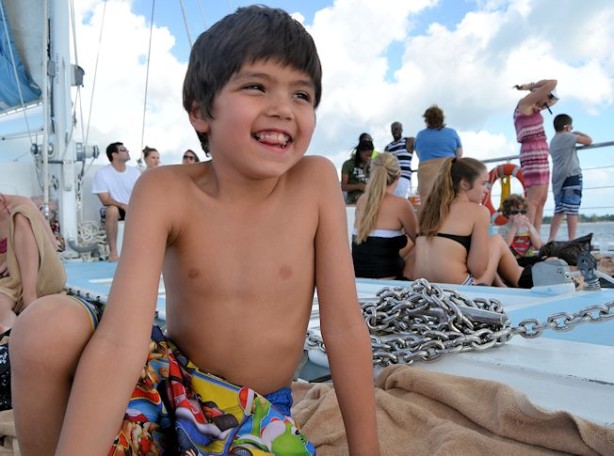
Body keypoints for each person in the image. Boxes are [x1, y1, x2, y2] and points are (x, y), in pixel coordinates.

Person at [11, 6, 380, 455]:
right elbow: (122, 341)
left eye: (302, 95)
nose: (284, 108)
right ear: (201, 112)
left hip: (255, 410)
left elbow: (343, 327)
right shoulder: (164, 191)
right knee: (44, 326)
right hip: (168, 382)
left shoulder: (315, 182)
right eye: (256, 86)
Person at [410, 157, 533, 287]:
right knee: (496, 241)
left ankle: (509, 285)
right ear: (465, 184)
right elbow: (478, 270)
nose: (487, 190)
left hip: (422, 288)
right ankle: (520, 281)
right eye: (483, 184)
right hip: (462, 289)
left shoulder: (427, 211)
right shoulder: (479, 212)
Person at [0, 194, 65, 332]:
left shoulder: (20, 203)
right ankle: (8, 332)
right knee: (1, 306)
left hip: (41, 274)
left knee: (22, 214)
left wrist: (14, 255)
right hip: (11, 282)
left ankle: (30, 297)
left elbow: (53, 245)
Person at [352, 152, 418, 279]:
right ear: (398, 175)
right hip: (388, 278)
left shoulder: (362, 200)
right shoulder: (401, 204)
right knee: (421, 245)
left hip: (358, 276)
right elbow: (419, 239)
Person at [513, 78, 558, 235]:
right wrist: (530, 87)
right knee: (533, 200)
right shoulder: (524, 104)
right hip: (532, 152)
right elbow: (553, 82)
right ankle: (525, 239)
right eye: (547, 98)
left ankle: (535, 238)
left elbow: (553, 92)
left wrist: (540, 94)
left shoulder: (535, 108)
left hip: (540, 153)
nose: (546, 103)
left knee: (542, 200)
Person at [91, 142, 141, 261]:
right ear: (114, 155)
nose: (127, 151)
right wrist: (123, 206)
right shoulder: (102, 174)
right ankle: (113, 252)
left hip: (133, 206)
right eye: (123, 150)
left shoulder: (135, 172)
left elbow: (142, 194)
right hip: (116, 207)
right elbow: (105, 199)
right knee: (112, 211)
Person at [547, 113, 593, 242]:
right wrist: (578, 132)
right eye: (571, 128)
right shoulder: (568, 136)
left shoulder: (553, 141)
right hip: (571, 176)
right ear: (567, 127)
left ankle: (551, 239)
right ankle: (572, 239)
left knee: (559, 211)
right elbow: (589, 141)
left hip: (557, 179)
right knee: (572, 209)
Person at [414, 105, 463, 203]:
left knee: (426, 201)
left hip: (426, 175)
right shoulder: (452, 133)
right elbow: (459, 153)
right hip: (448, 170)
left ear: (426, 120)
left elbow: (419, 154)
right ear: (442, 118)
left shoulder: (420, 135)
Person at [498, 194, 543, 266]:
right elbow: (505, 246)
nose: (519, 215)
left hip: (529, 258)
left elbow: (538, 246)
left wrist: (530, 227)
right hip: (513, 260)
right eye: (515, 212)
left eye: (523, 212)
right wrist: (514, 227)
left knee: (547, 259)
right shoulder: (503, 229)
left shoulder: (528, 227)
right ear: (507, 214)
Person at [384, 121, 414, 198]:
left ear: (402, 130)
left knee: (398, 198)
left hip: (403, 176)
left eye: (398, 129)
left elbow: (422, 148)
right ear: (391, 131)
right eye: (394, 129)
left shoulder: (408, 141)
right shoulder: (388, 147)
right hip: (391, 178)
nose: (396, 131)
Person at [341, 138, 373, 204]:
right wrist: (358, 186)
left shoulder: (373, 164)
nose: (369, 158)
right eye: (367, 155)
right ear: (360, 152)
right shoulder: (348, 164)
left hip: (371, 197)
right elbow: (343, 186)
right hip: (354, 199)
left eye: (371, 155)